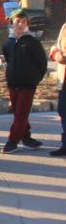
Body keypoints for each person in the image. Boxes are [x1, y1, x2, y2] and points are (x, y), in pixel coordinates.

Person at [0, 10, 47, 154]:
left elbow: (42, 63)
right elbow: (8, 60)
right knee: (18, 113)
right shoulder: (8, 43)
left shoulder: (32, 42)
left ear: (27, 24)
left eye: (23, 22)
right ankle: (26, 138)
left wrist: (34, 79)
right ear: (11, 23)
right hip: (13, 84)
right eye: (17, 21)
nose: (20, 24)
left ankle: (12, 141)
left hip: (28, 85)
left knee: (21, 114)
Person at [48, 21, 66, 156]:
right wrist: (57, 54)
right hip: (64, 78)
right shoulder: (65, 26)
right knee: (63, 110)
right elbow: (56, 45)